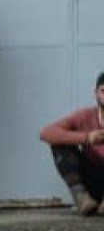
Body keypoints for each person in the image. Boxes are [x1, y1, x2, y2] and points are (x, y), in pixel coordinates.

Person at [37, 73, 104, 216]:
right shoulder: (85, 116)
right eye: (103, 91)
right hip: (91, 179)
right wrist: (87, 137)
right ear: (96, 93)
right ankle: (82, 198)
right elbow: (46, 132)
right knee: (59, 143)